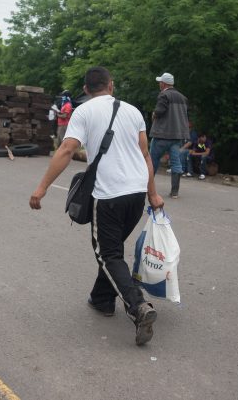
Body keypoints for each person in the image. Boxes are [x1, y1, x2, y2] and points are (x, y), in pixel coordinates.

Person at [29, 66, 164, 346]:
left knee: (108, 254)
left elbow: (66, 149)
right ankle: (102, 299)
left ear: (86, 89)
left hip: (109, 195)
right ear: (111, 85)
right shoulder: (134, 111)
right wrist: (152, 194)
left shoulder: (83, 111)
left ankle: (138, 307)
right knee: (112, 250)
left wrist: (41, 189)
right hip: (136, 194)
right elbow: (146, 154)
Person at [149, 72, 190, 198]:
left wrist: (154, 114)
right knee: (176, 163)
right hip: (177, 135)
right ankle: (174, 192)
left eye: (160, 82)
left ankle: (148, 189)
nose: (159, 84)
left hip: (162, 134)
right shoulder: (183, 98)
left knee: (152, 161)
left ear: (164, 83)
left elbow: (160, 111)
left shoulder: (164, 95)